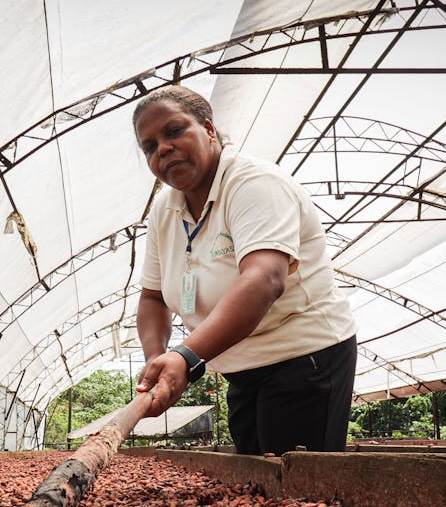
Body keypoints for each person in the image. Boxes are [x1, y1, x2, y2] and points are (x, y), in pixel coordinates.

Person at [132, 85, 358, 456]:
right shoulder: (164, 209)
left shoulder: (254, 184)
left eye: (174, 131)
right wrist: (157, 360)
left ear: (208, 129)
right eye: (150, 146)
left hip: (303, 359)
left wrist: (186, 357)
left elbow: (263, 279)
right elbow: (153, 297)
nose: (163, 149)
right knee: (255, 477)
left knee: (294, 487)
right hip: (238, 366)